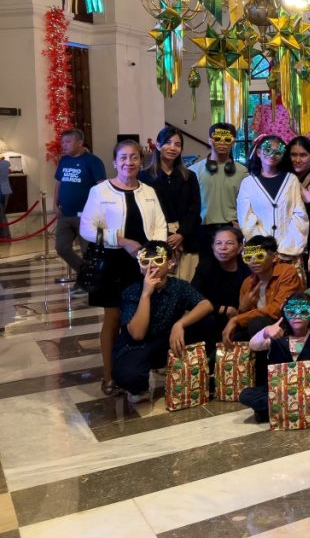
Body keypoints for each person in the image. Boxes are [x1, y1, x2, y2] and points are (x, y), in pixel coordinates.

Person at [79, 139, 167, 395]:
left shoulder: (148, 191)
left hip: (142, 262)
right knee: (113, 318)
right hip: (110, 262)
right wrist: (122, 241)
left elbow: (160, 224)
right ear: (115, 162)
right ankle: (108, 375)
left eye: (134, 157)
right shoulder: (101, 191)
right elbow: (86, 228)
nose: (129, 162)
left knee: (140, 316)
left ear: (141, 161)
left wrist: (156, 252)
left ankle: (134, 366)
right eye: (124, 158)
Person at [111, 241, 215, 403]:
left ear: (170, 263)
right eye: (145, 262)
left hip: (168, 340)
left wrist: (179, 324)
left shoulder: (178, 286)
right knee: (127, 376)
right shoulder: (132, 292)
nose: (152, 267)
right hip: (138, 346)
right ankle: (141, 387)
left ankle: (194, 368)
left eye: (158, 261)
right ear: (140, 267)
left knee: (208, 321)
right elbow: (138, 334)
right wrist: (146, 294)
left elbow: (205, 305)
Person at [238, 292, 310, 423]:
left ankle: (271, 410)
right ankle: (303, 407)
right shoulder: (277, 335)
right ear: (285, 313)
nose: (297, 316)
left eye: (303, 312)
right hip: (277, 389)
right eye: (292, 312)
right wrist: (267, 331)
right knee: (245, 395)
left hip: (304, 388)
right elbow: (254, 345)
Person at [139, 126, 201, 280]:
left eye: (177, 144)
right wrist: (166, 236)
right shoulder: (145, 177)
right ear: (158, 145)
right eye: (168, 143)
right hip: (157, 235)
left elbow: (194, 209)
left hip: (187, 236)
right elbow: (145, 212)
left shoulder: (189, 176)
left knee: (187, 282)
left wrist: (181, 234)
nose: (173, 148)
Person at [221, 235, 305, 344]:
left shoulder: (287, 272)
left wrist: (237, 319)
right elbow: (244, 316)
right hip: (256, 330)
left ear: (274, 257)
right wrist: (242, 309)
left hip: (285, 326)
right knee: (230, 336)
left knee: (257, 324)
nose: (254, 261)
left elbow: (278, 309)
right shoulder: (247, 282)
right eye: (249, 258)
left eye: (260, 256)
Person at [237, 135, 308, 260]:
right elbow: (246, 218)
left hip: (289, 253)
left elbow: (299, 215)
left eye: (277, 152)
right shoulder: (248, 183)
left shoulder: (291, 180)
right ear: (259, 152)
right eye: (268, 150)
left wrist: (285, 248)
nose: (272, 155)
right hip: (259, 255)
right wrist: (266, 247)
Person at [188, 123, 248, 253]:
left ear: (233, 142)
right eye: (217, 139)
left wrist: (243, 226)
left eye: (227, 140)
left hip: (232, 228)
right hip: (203, 230)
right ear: (210, 140)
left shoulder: (243, 172)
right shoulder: (193, 171)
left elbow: (249, 204)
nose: (222, 143)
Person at [54, 129, 107, 276]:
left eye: (68, 141)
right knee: (61, 248)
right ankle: (84, 272)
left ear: (79, 142)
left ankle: (93, 283)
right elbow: (59, 183)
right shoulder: (64, 160)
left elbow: (101, 186)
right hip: (65, 214)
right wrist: (55, 205)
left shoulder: (93, 161)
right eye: (62, 142)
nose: (63, 145)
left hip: (86, 215)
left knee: (88, 251)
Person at [191, 226, 250, 333]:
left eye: (229, 243)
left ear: (240, 247)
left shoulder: (248, 268)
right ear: (213, 246)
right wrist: (223, 309)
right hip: (214, 316)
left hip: (242, 316)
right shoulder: (205, 266)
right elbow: (194, 297)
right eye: (218, 243)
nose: (223, 247)